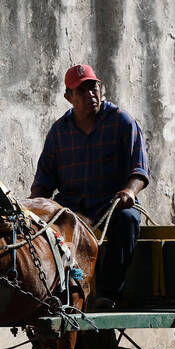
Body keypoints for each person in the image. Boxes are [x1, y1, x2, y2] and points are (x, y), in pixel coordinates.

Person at [30, 63, 149, 305]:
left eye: (93, 87)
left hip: (109, 207)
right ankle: (55, 294)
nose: (90, 95)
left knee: (129, 220)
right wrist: (34, 208)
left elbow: (139, 170)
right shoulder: (59, 132)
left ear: (100, 88)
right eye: (81, 91)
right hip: (70, 210)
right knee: (38, 231)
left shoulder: (122, 122)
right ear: (68, 97)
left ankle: (107, 295)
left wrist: (129, 190)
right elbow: (42, 183)